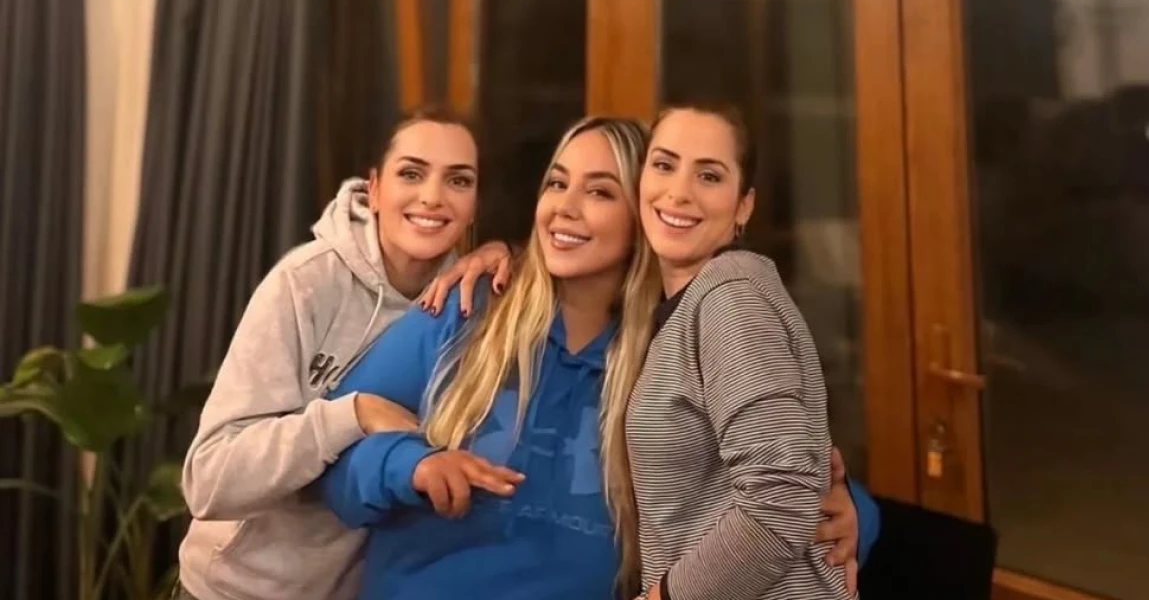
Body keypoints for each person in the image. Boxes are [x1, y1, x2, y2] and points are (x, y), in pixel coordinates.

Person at [315, 116, 872, 600]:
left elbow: (787, 477)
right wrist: (410, 466)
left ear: (643, 217)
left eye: (600, 193)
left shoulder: (674, 352)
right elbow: (331, 455)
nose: (565, 207)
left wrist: (853, 515)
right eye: (557, 184)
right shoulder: (465, 308)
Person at [176, 107, 512, 600]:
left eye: (458, 180)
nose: (432, 197)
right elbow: (209, 480)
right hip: (236, 589)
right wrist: (353, 414)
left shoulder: (470, 306)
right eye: (411, 174)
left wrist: (509, 258)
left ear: (474, 204)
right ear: (373, 189)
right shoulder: (304, 285)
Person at [629, 105, 857, 600]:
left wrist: (664, 598)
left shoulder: (729, 297)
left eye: (709, 175)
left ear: (743, 206)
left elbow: (781, 498)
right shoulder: (686, 304)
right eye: (664, 165)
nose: (679, 192)